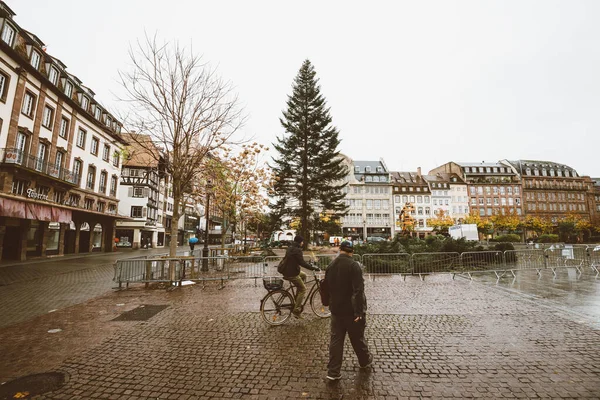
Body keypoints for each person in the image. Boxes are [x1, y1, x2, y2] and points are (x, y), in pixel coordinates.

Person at [324, 240, 372, 381]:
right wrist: (358, 312)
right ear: (352, 251)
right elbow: (358, 291)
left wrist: (330, 304)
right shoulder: (353, 265)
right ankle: (364, 361)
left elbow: (326, 287)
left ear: (340, 250)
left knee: (336, 340)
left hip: (336, 310)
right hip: (351, 311)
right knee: (357, 338)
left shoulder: (331, 265)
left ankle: (333, 372)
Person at [280, 235, 320, 318]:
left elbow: (296, 261)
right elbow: (302, 263)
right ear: (299, 242)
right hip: (292, 273)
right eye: (302, 241)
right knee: (303, 289)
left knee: (304, 275)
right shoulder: (297, 250)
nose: (302, 243)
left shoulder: (290, 248)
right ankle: (296, 310)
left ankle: (298, 298)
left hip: (287, 271)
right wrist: (313, 268)